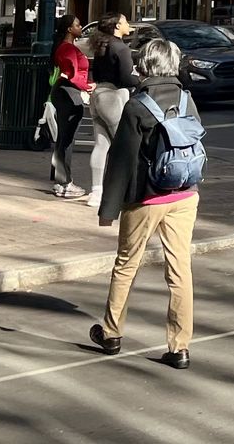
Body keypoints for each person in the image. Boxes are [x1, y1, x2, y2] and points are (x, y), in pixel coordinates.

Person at [91, 37, 200, 370]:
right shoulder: (186, 99)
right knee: (180, 270)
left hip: (146, 197)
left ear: (147, 65)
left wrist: (108, 209)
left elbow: (121, 161)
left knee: (126, 264)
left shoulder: (137, 106)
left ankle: (111, 334)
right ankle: (179, 347)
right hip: (185, 193)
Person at [86, 13, 143, 212]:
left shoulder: (101, 45)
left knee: (101, 145)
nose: (129, 24)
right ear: (118, 26)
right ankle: (127, 190)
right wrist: (139, 78)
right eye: (125, 21)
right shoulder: (121, 48)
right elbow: (127, 78)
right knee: (124, 145)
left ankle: (96, 191)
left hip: (98, 95)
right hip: (113, 96)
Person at [47, 16, 94, 199]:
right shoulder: (68, 49)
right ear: (68, 29)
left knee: (63, 139)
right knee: (66, 140)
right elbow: (72, 75)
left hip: (65, 93)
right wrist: (90, 86)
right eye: (77, 24)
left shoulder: (65, 47)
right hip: (69, 94)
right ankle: (65, 183)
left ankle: (60, 181)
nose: (80, 26)